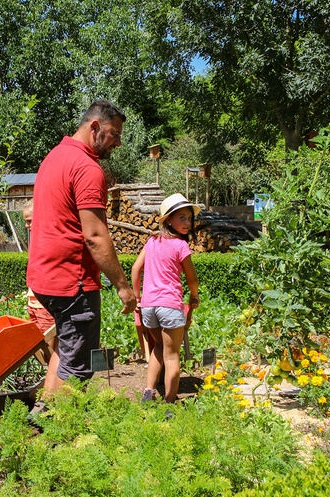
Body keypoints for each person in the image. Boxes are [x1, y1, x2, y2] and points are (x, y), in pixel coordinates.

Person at [26, 99, 137, 405]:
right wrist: (123, 286)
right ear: (95, 127)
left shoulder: (54, 157)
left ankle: (45, 412)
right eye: (114, 134)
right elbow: (96, 236)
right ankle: (61, 431)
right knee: (79, 366)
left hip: (44, 277)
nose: (118, 142)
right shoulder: (88, 168)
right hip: (71, 281)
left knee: (66, 347)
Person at [131, 194, 200, 403]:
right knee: (172, 356)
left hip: (149, 306)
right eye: (182, 218)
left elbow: (135, 269)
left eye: (189, 218)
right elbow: (192, 278)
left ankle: (148, 392)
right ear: (168, 219)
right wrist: (194, 297)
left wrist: (138, 298)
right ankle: (169, 401)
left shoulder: (152, 241)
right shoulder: (181, 246)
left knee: (158, 349)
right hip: (169, 305)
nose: (187, 223)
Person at [22, 200, 57, 362]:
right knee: (40, 349)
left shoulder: (49, 239)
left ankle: (53, 383)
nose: (27, 225)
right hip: (33, 301)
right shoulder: (36, 240)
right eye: (25, 221)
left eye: (29, 221)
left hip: (44, 302)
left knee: (49, 349)